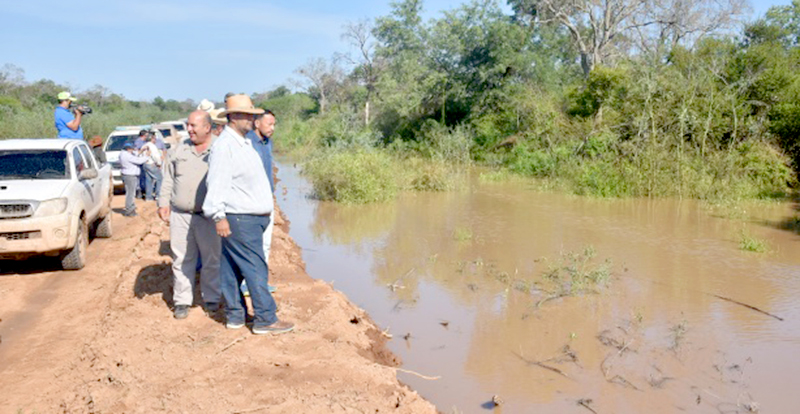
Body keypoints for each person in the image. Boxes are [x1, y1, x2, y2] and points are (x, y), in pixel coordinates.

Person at [202, 94, 294, 335]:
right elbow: (217, 184)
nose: (252, 120)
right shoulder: (225, 146)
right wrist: (219, 216)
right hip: (241, 218)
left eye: (254, 116)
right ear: (233, 117)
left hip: (248, 218)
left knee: (231, 268)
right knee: (255, 267)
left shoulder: (243, 142)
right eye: (248, 116)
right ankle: (265, 317)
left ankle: (235, 315)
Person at [158, 110, 221, 319]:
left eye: (194, 126)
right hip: (180, 215)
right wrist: (163, 202)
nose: (189, 129)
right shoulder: (179, 149)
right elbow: (168, 178)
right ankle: (182, 301)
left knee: (212, 258)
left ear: (207, 127)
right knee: (182, 258)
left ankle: (212, 298)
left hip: (209, 216)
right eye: (188, 125)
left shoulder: (219, 149)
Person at [242, 110, 277, 296]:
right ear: (257, 124)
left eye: (274, 125)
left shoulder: (267, 143)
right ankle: (247, 284)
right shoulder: (247, 143)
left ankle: (259, 283)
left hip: (267, 199)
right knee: (251, 245)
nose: (272, 128)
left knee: (265, 244)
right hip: (250, 201)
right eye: (269, 124)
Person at [119, 142, 149, 217]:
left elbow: (136, 154)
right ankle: (130, 210)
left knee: (131, 193)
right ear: (128, 149)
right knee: (131, 193)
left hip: (128, 175)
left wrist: (141, 151)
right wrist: (147, 156)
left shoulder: (124, 154)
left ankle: (130, 208)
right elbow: (139, 161)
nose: (133, 150)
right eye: (132, 149)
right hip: (130, 176)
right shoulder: (127, 156)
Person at [142, 134, 163, 201]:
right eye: (154, 139)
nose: (155, 140)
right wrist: (159, 164)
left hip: (145, 164)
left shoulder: (144, 146)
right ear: (152, 139)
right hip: (152, 164)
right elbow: (155, 156)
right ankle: (158, 195)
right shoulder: (152, 146)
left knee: (149, 181)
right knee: (160, 179)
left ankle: (148, 197)